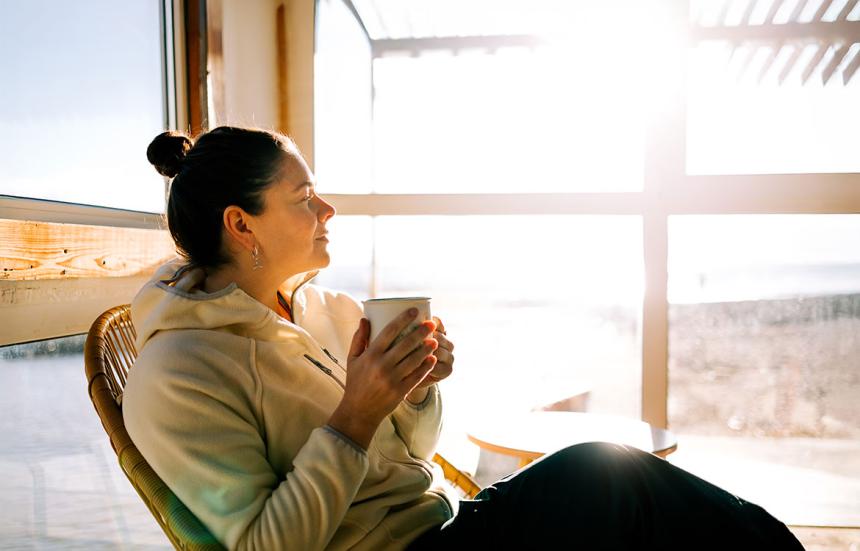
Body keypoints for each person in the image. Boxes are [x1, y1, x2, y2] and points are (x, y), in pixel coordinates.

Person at [124, 126, 803, 550]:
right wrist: (356, 413)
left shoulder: (323, 310)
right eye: (305, 197)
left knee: (618, 483)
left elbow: (414, 450)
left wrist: (415, 392)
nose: (328, 210)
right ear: (242, 225)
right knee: (604, 475)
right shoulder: (178, 373)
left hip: (448, 523)